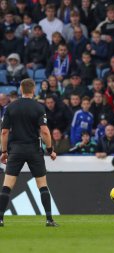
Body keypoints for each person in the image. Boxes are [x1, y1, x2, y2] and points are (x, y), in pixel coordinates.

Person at [0, 78, 58, 227]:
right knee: (42, 185)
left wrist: (4, 151)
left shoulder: (10, 107)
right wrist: (50, 150)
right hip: (33, 150)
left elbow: (4, 132)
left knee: (7, 186)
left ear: (21, 89)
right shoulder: (38, 107)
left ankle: (0, 219)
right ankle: (49, 219)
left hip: (16, 150)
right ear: (34, 90)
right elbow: (44, 131)